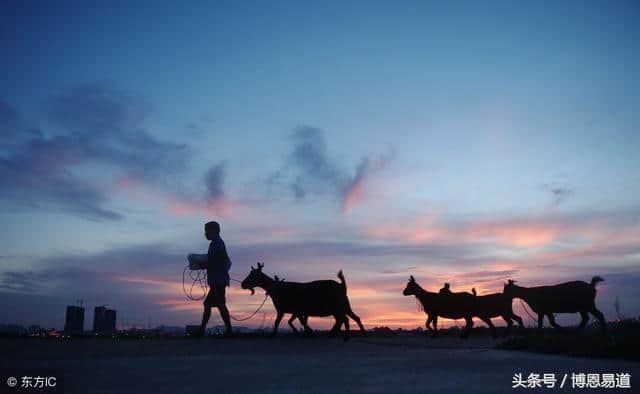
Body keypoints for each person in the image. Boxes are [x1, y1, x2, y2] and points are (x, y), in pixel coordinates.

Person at [198, 221, 233, 337]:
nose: (205, 233)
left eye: (207, 231)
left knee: (216, 304)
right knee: (216, 304)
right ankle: (228, 330)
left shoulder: (217, 243)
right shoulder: (215, 243)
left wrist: (207, 265)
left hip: (218, 280)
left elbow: (222, 259)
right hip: (218, 280)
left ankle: (203, 330)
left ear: (214, 231)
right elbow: (222, 260)